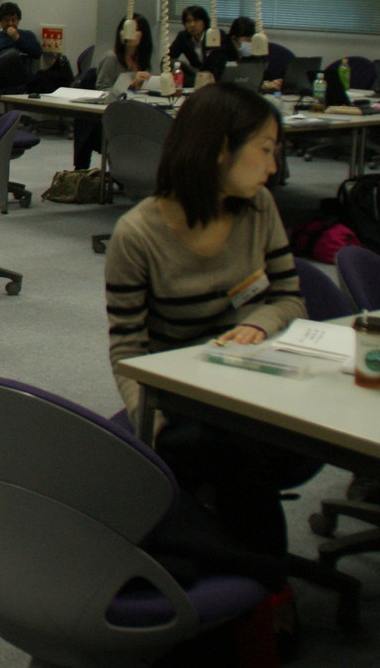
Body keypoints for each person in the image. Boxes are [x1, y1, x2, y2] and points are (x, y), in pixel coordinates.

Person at [104, 82, 308, 566]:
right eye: (265, 150)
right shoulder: (138, 235)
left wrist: (261, 324)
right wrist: (150, 425)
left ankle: (252, 575)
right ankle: (268, 579)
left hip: (257, 380)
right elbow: (128, 349)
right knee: (230, 449)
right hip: (187, 400)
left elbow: (290, 299)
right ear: (220, 150)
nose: (273, 167)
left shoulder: (259, 208)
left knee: (268, 441)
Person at [72, 13, 153, 170]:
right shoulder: (112, 58)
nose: (130, 34)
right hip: (106, 120)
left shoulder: (141, 59)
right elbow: (102, 90)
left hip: (131, 116)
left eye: (136, 29)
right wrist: (130, 85)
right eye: (126, 29)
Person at [0, 1, 42, 92]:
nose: (10, 23)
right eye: (6, 20)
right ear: (0, 21)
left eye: (13, 20)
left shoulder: (27, 35)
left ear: (18, 20)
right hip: (0, 75)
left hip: (20, 76)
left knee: (13, 54)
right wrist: (3, 56)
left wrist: (17, 38)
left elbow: (37, 53)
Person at [210, 15, 282, 91]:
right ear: (234, 39)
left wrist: (268, 84)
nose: (250, 43)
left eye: (252, 40)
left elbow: (259, 78)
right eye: (247, 40)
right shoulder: (219, 55)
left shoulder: (256, 55)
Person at [167, 5, 217, 77]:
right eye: (188, 21)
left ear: (204, 22)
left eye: (196, 20)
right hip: (194, 75)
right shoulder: (183, 37)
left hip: (214, 76)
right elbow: (167, 59)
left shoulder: (214, 35)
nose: (192, 25)